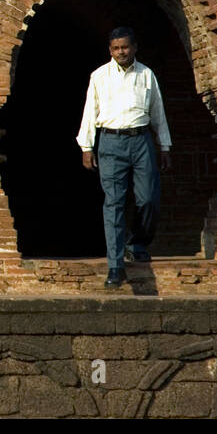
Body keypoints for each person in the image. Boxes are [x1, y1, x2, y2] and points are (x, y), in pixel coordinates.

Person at [77, 26, 173, 288]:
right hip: (110, 141)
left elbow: (158, 112)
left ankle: (137, 243)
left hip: (141, 140)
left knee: (148, 199)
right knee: (114, 204)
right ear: (110, 50)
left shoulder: (146, 74)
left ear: (134, 47)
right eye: (116, 48)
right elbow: (90, 111)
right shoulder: (99, 76)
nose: (121, 52)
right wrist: (87, 146)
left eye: (125, 47)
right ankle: (115, 266)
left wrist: (164, 146)